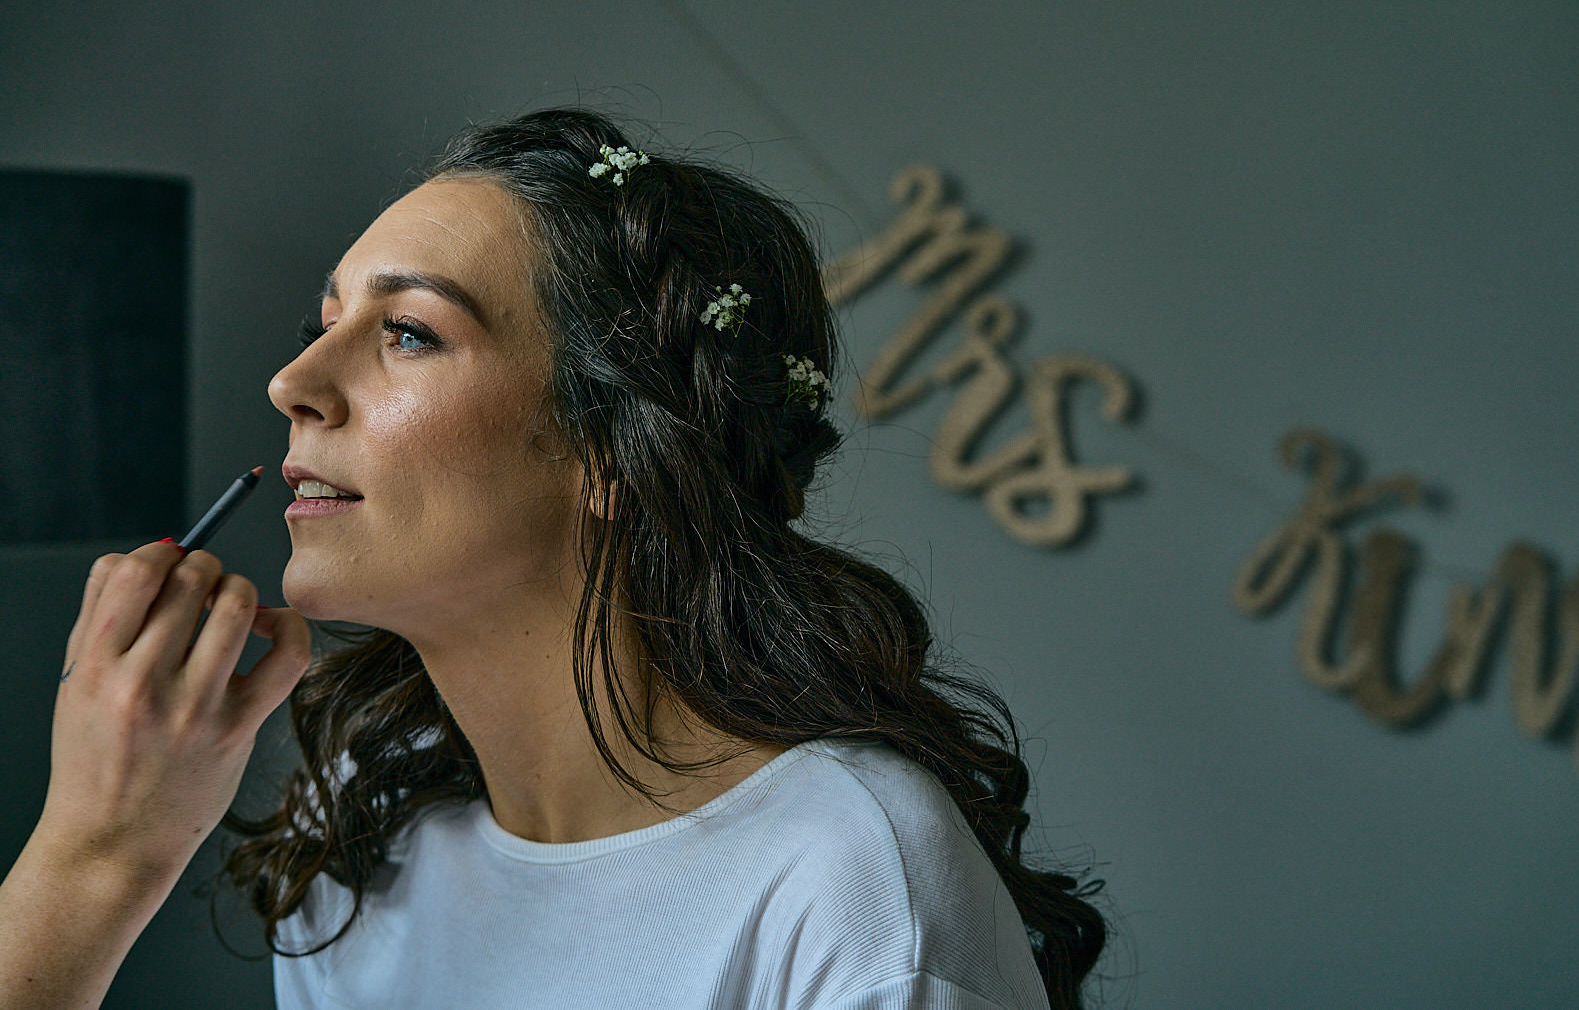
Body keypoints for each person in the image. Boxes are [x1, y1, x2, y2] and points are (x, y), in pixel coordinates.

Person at [0, 108, 1105, 1009]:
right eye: (320, 324)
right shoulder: (361, 830)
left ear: (615, 447)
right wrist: (96, 850)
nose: (293, 382)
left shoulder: (852, 886)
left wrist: (98, 857)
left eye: (408, 331)